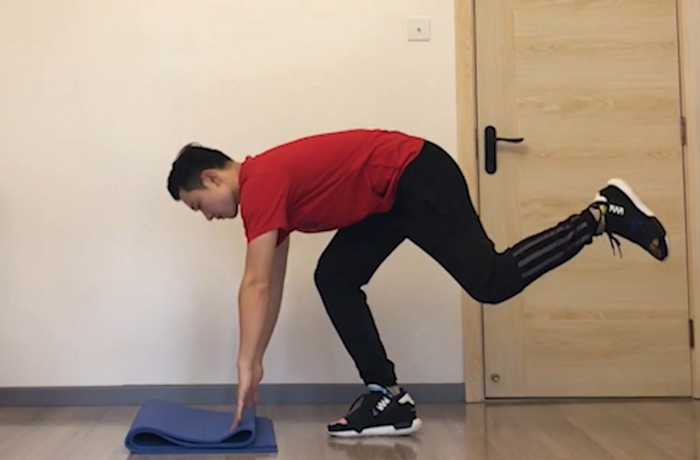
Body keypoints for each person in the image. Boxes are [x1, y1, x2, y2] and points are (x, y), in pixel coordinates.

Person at [166, 129, 668, 438]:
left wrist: (245, 364)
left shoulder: (261, 184)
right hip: (389, 196)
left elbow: (255, 285)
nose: (207, 216)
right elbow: (268, 286)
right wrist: (256, 360)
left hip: (416, 175)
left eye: (197, 206)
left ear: (211, 179)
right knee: (335, 276)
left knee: (490, 281)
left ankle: (599, 216)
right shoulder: (266, 187)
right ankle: (386, 396)